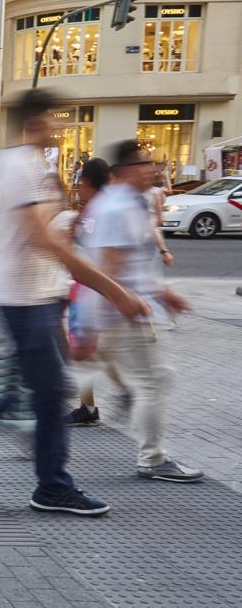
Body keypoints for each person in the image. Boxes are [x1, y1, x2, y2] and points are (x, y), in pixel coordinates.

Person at [0, 89, 146, 517]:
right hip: (24, 299)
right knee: (45, 395)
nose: (61, 126)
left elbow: (26, 236)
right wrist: (114, 291)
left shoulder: (28, 166)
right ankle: (52, 487)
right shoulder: (23, 167)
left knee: (26, 396)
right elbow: (44, 240)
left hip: (37, 298)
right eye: (56, 118)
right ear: (37, 121)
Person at [77, 140, 201, 483]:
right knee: (154, 381)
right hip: (124, 312)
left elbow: (129, 263)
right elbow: (111, 267)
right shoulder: (119, 208)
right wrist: (119, 307)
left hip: (118, 309)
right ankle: (153, 459)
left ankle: (24, 409)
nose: (155, 168)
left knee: (80, 372)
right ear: (127, 171)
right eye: (147, 163)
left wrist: (162, 292)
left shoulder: (125, 204)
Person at [63, 158, 131, 427]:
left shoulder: (95, 211)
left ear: (87, 182)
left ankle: (90, 406)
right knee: (97, 351)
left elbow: (89, 249)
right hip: (100, 289)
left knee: (81, 351)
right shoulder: (107, 207)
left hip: (90, 289)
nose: (77, 187)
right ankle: (116, 393)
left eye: (79, 181)